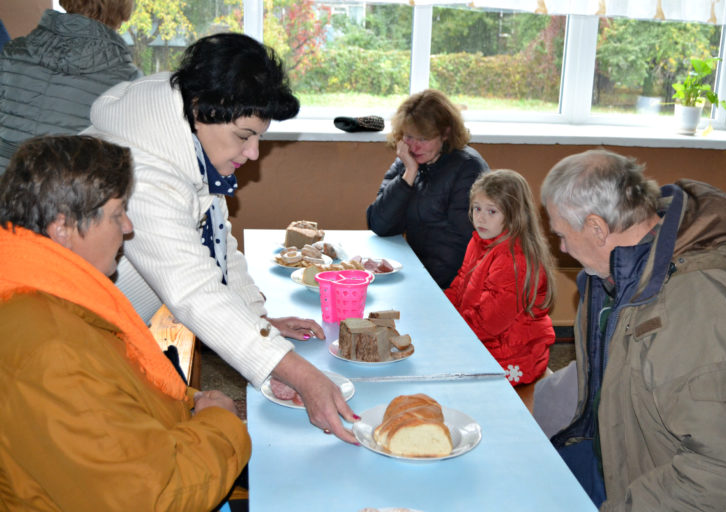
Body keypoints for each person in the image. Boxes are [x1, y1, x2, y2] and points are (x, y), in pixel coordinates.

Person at [84, 33, 358, 443]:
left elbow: (217, 242)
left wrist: (257, 319)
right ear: (201, 110)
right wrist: (301, 374)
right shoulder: (140, 170)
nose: (253, 154)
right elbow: (193, 289)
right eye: (245, 136)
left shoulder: (190, 138)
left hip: (115, 328)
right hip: (77, 338)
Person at [0, 135, 249, 510]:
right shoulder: (52, 352)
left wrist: (195, 401)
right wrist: (222, 426)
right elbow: (155, 496)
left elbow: (116, 393)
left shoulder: (48, 295)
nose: (128, 227)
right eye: (117, 213)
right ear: (62, 229)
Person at [537, 148, 726, 511]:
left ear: (598, 228)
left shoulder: (701, 316)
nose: (562, 248)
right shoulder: (615, 271)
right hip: (614, 453)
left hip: (658, 491)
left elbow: (723, 469)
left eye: (562, 236)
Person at [366, 89, 490, 289]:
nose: (414, 147)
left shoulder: (468, 168)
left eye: (423, 139)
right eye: (408, 137)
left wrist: (424, 283)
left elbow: (467, 246)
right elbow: (379, 225)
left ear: (446, 133)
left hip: (450, 285)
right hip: (416, 274)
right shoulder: (407, 164)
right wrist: (408, 174)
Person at [0, 0, 141, 173]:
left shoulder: (12, 53)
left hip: (7, 187)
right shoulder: (129, 81)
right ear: (123, 8)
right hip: (69, 194)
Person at [444, 169, 555, 386]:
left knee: (443, 374)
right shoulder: (480, 240)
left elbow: (489, 324)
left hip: (514, 356)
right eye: (477, 208)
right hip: (483, 337)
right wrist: (443, 311)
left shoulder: (515, 261)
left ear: (514, 215)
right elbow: (460, 283)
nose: (480, 217)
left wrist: (451, 333)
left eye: (492, 211)